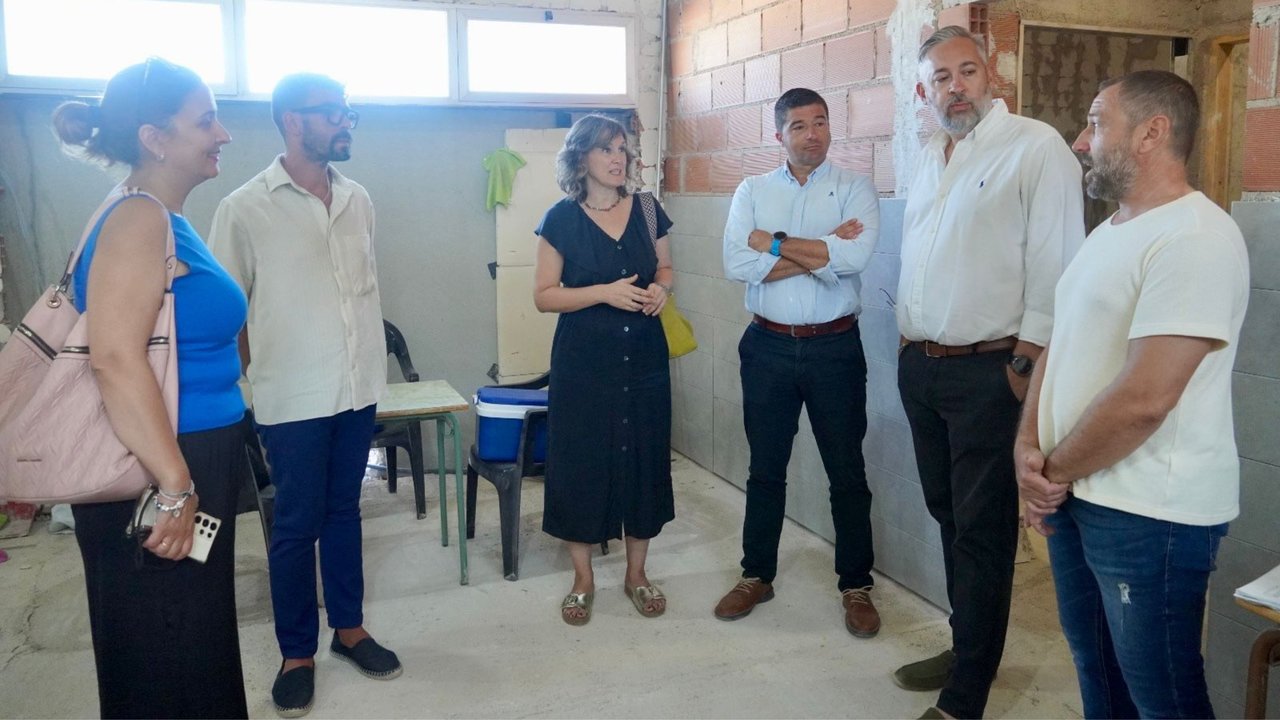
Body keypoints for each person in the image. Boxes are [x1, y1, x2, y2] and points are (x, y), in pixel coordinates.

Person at [1017, 70, 1249, 720]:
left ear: (1152, 132)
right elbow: (1059, 349)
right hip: (1081, 496)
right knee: (1100, 677)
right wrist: (1026, 446)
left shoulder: (1195, 238)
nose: (1080, 140)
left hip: (1151, 513)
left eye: (1096, 122)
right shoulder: (1110, 233)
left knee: (1163, 698)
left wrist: (1051, 473)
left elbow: (1148, 396)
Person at [894, 26, 1085, 719]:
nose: (955, 87)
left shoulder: (1034, 148)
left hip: (988, 374)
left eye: (966, 71)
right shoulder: (929, 157)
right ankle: (969, 644)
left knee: (982, 531)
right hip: (922, 368)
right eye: (941, 78)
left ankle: (966, 694)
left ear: (992, 73)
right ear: (926, 90)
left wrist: (1023, 368)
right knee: (949, 517)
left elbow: (1058, 266)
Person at [53, 58, 247, 718]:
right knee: (167, 649)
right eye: (206, 120)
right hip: (158, 465)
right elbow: (113, 357)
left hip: (182, 456)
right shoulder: (139, 218)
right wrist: (175, 485)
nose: (222, 134)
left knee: (190, 641)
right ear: (154, 138)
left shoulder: (161, 216)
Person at [208, 73, 398, 718]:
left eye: (349, 111)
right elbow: (225, 312)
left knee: (345, 511)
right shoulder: (244, 208)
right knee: (293, 525)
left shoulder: (359, 199)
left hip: (357, 386)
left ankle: (349, 630)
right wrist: (245, 386)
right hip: (291, 394)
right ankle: (296, 653)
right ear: (294, 122)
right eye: (334, 113)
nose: (346, 122)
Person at [717, 87, 881, 637]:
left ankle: (856, 585)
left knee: (847, 472)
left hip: (835, 347)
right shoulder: (752, 189)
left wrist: (775, 243)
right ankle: (755, 575)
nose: (813, 134)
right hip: (767, 346)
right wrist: (821, 249)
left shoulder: (855, 188)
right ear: (779, 135)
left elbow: (854, 256)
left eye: (821, 123)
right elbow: (737, 263)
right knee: (765, 469)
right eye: (799, 126)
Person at [533, 114, 675, 626]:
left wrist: (662, 289)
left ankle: (637, 575)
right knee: (581, 461)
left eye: (624, 148)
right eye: (606, 149)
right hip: (583, 364)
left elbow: (665, 268)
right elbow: (544, 296)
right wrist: (603, 293)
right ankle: (583, 578)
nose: (619, 158)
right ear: (580, 158)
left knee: (644, 459)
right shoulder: (560, 219)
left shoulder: (647, 209)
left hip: (644, 359)